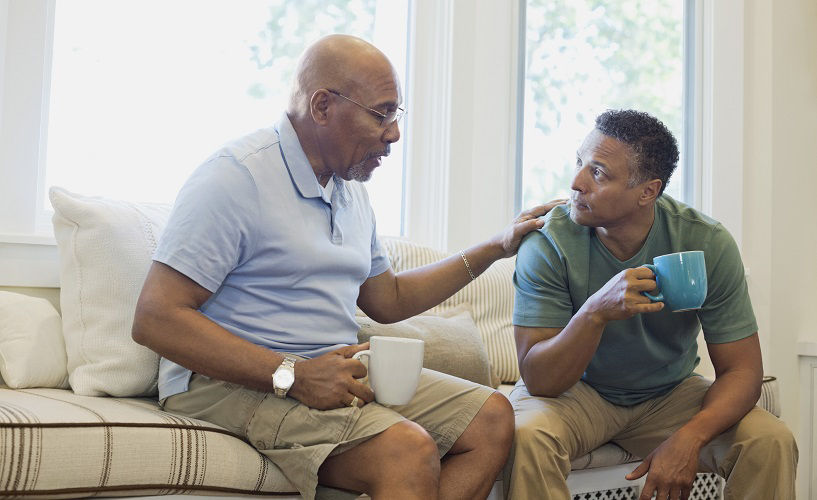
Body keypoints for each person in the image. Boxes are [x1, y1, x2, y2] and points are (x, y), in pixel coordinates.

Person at [132, 34, 562, 500]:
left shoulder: (348, 187)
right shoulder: (236, 177)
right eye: (381, 113)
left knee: (492, 418)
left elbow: (388, 299)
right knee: (407, 449)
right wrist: (293, 375)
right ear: (322, 106)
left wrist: (495, 247)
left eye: (396, 114)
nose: (394, 132)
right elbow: (156, 317)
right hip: (224, 382)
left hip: (331, 371)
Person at [505, 109, 797, 500]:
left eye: (598, 173)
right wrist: (594, 313)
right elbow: (540, 379)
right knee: (527, 435)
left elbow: (743, 370)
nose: (575, 183)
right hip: (576, 394)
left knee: (770, 439)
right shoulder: (548, 242)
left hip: (669, 393)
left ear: (647, 192)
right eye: (579, 163)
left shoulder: (705, 242)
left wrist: (691, 436)